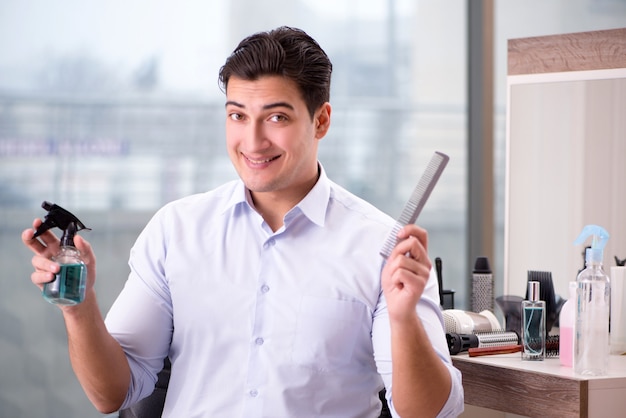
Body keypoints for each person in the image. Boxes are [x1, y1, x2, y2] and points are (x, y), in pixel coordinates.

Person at [22, 26, 463, 417]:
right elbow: (112, 395)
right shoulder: (176, 230)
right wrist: (79, 309)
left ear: (321, 120)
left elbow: (427, 412)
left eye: (276, 117)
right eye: (237, 116)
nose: (252, 141)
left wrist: (404, 321)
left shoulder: (382, 247)